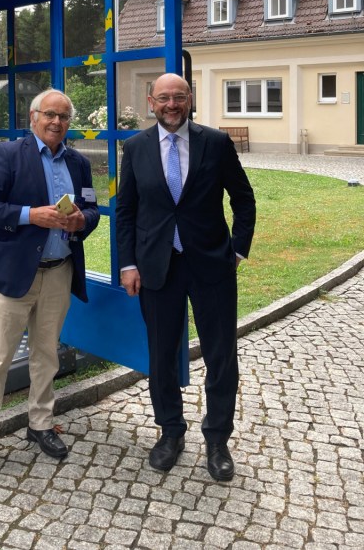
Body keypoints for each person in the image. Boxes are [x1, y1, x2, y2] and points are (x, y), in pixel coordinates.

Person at [116, 73, 256, 481]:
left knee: (220, 355)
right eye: (164, 98)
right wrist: (128, 264)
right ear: (151, 102)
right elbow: (126, 212)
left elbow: (243, 199)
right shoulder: (136, 147)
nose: (171, 105)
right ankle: (170, 432)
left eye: (179, 97)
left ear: (190, 99)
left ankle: (217, 439)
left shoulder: (215, 142)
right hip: (157, 268)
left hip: (211, 265)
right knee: (160, 355)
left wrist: (238, 249)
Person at [0, 88, 100, 486]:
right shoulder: (9, 154)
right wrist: (30, 215)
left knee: (47, 355)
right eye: (50, 115)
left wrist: (82, 221)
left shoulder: (78, 162)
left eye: (63, 116)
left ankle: (40, 424)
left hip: (59, 270)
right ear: (33, 117)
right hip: (14, 275)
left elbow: (92, 208)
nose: (57, 122)